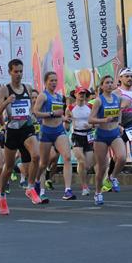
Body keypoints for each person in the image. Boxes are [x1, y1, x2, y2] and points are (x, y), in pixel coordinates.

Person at [0, 59, 40, 205]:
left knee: (36, 156)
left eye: (20, 71)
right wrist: (7, 101)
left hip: (26, 127)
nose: (18, 74)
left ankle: (30, 187)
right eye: (15, 71)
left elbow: (30, 108)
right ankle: (1, 195)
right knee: (8, 167)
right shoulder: (4, 90)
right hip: (12, 131)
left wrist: (32, 115)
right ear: (10, 72)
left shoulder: (28, 88)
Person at [33, 71, 75, 201]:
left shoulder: (59, 97)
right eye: (51, 80)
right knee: (43, 163)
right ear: (46, 82)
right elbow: (36, 112)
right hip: (46, 131)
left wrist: (64, 118)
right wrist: (51, 114)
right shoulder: (43, 96)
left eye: (56, 80)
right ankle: (39, 185)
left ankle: (68, 190)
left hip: (59, 131)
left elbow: (58, 113)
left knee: (67, 157)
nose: (54, 83)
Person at [88, 75, 129, 206]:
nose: (110, 85)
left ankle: (112, 177)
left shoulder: (118, 98)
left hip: (114, 133)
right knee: (101, 168)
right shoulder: (98, 101)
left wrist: (119, 124)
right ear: (102, 86)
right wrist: (103, 120)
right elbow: (90, 119)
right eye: (107, 83)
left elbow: (125, 104)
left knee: (122, 157)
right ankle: (98, 192)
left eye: (111, 82)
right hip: (101, 136)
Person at [66, 87, 94, 196]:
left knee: (88, 165)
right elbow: (66, 125)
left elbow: (95, 122)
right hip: (76, 135)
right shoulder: (70, 108)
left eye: (84, 93)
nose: (82, 95)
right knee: (81, 161)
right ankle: (84, 186)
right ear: (75, 94)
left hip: (89, 135)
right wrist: (67, 122)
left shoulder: (90, 107)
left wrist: (91, 125)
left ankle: (82, 175)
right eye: (80, 93)